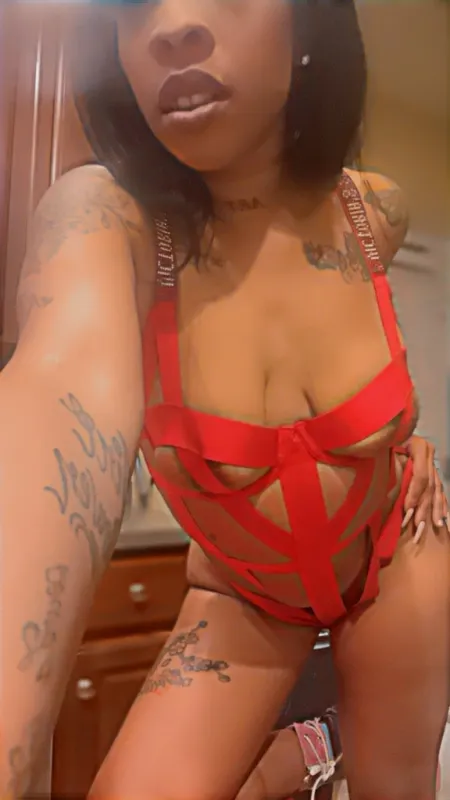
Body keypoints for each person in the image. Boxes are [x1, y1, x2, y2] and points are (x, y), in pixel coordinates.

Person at [1, 1, 449, 798]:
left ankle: (317, 748)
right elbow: (53, 394)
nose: (173, 24)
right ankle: (311, 748)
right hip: (247, 595)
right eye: (136, 4)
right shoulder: (108, 223)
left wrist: (408, 442)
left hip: (396, 555)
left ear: (308, 26)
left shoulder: (374, 212)